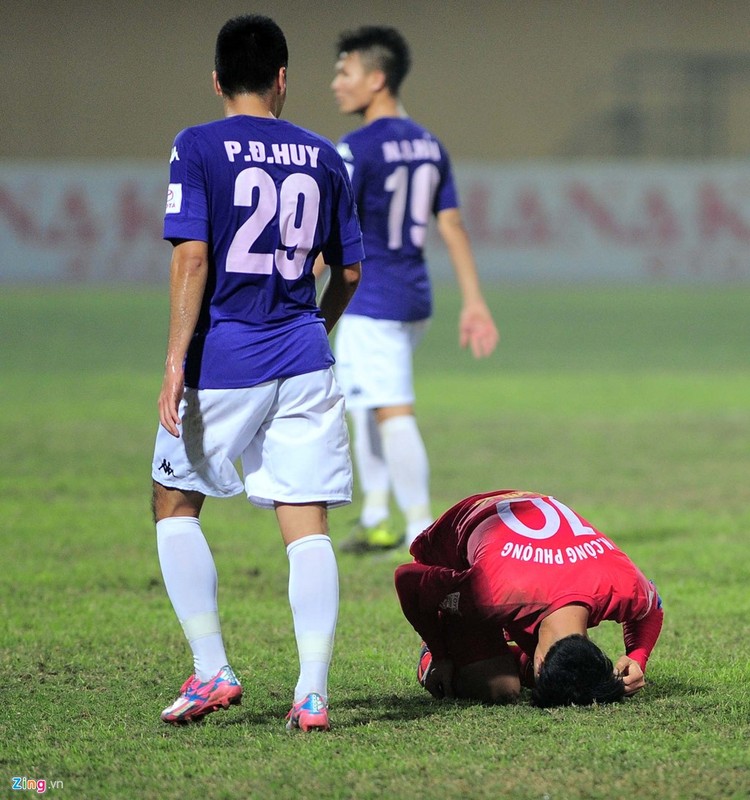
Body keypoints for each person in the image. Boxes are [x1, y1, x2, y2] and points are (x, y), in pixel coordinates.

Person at [150, 14, 363, 731]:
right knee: (307, 528)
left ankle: (213, 670)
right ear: (281, 80)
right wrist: (316, 327)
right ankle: (312, 694)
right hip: (305, 357)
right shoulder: (322, 154)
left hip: (227, 360)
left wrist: (177, 359)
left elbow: (191, 257)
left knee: (173, 503)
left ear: (217, 80)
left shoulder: (197, 145)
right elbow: (350, 269)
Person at [326, 26, 499, 553]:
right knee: (364, 401)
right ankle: (378, 514)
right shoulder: (429, 143)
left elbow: (330, 233)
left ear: (376, 79)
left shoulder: (354, 149)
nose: (336, 83)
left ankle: (423, 533)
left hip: (370, 298)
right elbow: (451, 225)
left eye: (345, 72)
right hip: (413, 296)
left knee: (391, 410)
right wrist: (473, 300)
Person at [394, 490, 664, 707]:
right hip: (454, 540)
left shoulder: (622, 584)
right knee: (498, 689)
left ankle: (504, 657)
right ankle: (437, 653)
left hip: (523, 546)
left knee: (558, 681)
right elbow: (408, 579)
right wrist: (440, 652)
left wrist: (637, 657)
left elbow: (652, 609)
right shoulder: (490, 594)